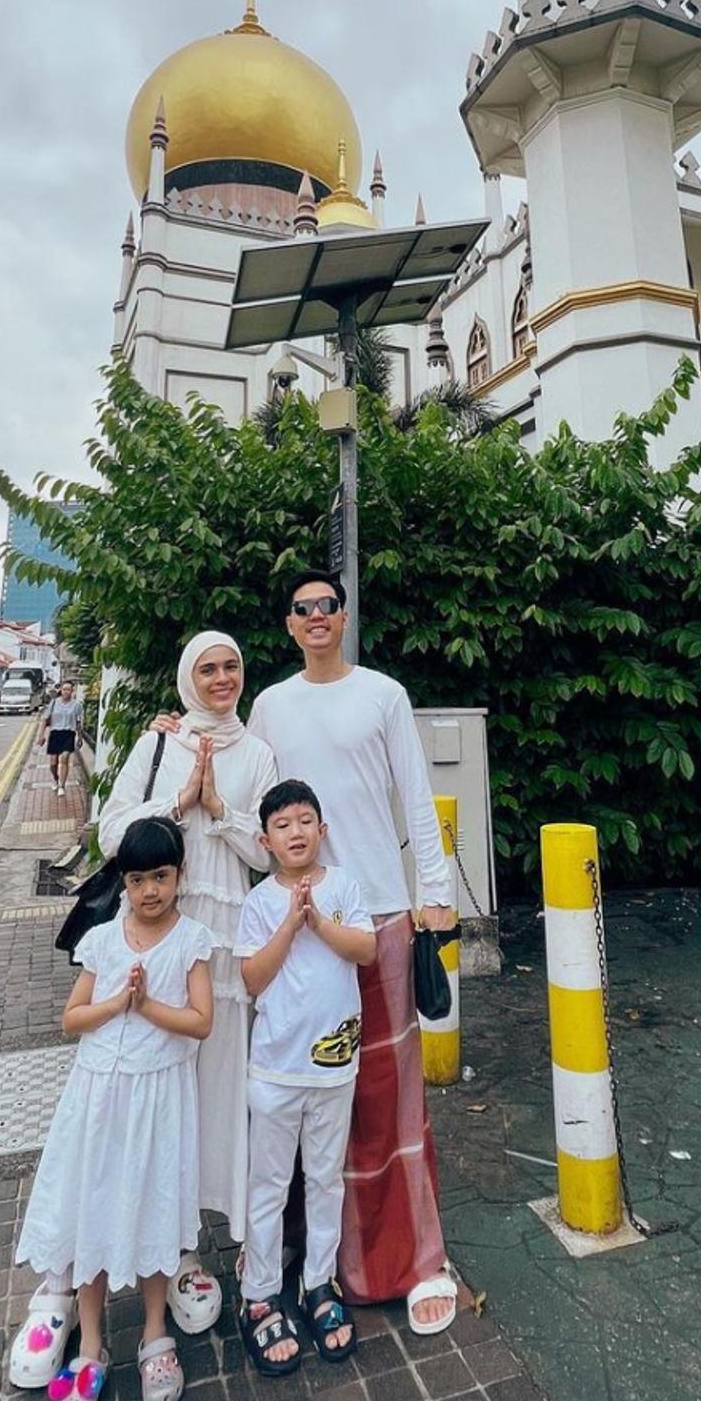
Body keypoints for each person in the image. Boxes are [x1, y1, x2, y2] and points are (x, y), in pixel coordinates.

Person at [247, 571, 461, 1336]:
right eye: (302, 608)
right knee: (305, 1087)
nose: (316, 618)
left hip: (378, 911)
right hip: (301, 919)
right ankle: (304, 1262)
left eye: (327, 607)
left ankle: (407, 1258)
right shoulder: (269, 705)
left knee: (387, 1091)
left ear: (343, 616)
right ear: (289, 622)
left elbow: (415, 795)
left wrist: (436, 898)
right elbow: (251, 809)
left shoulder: (383, 693)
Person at [9, 816, 213, 1401]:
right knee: (91, 1217)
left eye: (161, 876)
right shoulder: (102, 938)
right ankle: (91, 1346)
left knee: (151, 1212)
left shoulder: (193, 940)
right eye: (137, 879)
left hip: (158, 1100)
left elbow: (202, 1021)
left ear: (179, 876)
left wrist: (148, 1006)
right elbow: (72, 1019)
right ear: (122, 882)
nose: (150, 890)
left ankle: (155, 1336)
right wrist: (116, 1004)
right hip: (97, 1101)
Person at [99, 631, 276, 1331]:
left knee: (219, 1085)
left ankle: (211, 1232)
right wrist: (178, 800)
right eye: (207, 667)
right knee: (154, 1081)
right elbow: (112, 832)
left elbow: (266, 852)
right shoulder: (158, 743)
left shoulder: (258, 753)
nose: (221, 677)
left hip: (227, 938)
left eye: (231, 665)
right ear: (186, 677)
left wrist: (218, 808)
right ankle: (166, 1247)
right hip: (157, 934)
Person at [234, 779, 376, 1375]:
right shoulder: (260, 902)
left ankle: (320, 1283)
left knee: (325, 1179)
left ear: (323, 830)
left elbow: (366, 950)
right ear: (265, 840)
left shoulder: (343, 886)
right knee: (268, 1185)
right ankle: (260, 1293)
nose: (295, 832)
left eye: (305, 821)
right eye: (283, 825)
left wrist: (318, 921)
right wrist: (291, 924)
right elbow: (252, 979)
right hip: (274, 1067)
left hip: (334, 1069)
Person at [40, 681, 83, 796]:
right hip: (55, 733)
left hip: (69, 734)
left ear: (72, 691)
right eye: (64, 689)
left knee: (64, 758)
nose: (66, 692)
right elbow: (45, 719)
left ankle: (61, 786)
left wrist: (80, 737)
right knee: (53, 763)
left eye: (68, 689)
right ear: (61, 690)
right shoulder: (54, 703)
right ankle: (55, 777)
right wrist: (41, 736)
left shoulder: (77, 705)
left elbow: (78, 722)